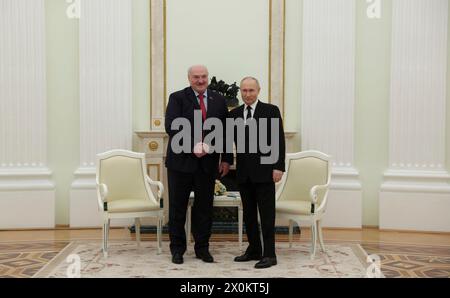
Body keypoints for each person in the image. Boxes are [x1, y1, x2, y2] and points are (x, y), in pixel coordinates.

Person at [165, 65, 232, 265]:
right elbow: (172, 127)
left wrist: (227, 159)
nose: (200, 80)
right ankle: (177, 250)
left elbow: (226, 131)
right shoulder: (177, 98)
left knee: (204, 209)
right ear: (189, 78)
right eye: (196, 77)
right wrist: (192, 146)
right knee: (178, 208)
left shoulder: (219, 99)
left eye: (203, 76)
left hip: (208, 164)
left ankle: (202, 248)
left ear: (208, 78)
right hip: (181, 163)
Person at [229, 77, 285, 269]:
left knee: (267, 215)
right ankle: (254, 249)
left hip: (266, 172)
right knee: (249, 215)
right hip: (244, 173)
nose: (247, 94)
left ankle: (270, 254)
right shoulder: (234, 114)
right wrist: (227, 162)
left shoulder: (271, 111)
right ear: (240, 92)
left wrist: (278, 167)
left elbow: (278, 141)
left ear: (258, 90)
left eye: (251, 90)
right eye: (244, 90)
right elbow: (229, 142)